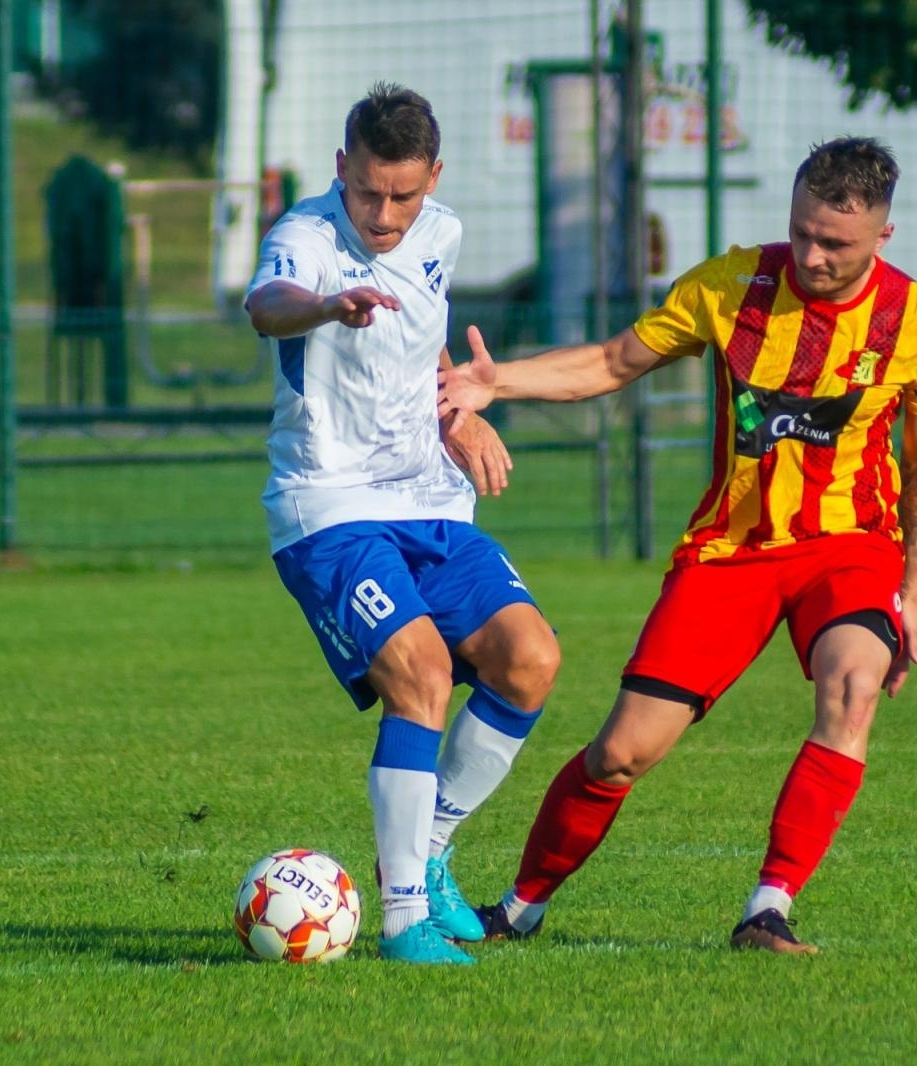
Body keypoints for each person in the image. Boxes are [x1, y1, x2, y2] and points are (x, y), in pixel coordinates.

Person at [437, 136, 917, 954]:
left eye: (837, 244)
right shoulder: (733, 284)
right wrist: (497, 380)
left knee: (851, 691)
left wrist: (911, 592)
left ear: (882, 238)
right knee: (619, 754)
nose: (814, 255)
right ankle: (518, 907)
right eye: (804, 232)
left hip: (850, 550)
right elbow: (612, 362)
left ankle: (768, 908)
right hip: (731, 552)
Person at [246, 82, 560, 966]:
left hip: (427, 498)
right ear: (342, 167)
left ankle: (431, 849)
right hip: (329, 507)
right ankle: (401, 918)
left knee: (529, 660)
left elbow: (421, 356)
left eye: (403, 195)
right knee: (420, 673)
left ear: (434, 180)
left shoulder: (443, 233)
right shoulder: (304, 238)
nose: (383, 214)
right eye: (368, 190)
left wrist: (460, 414)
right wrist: (323, 306)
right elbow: (266, 304)